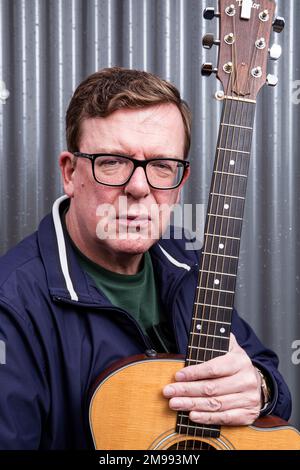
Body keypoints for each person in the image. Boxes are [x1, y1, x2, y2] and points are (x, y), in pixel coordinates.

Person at [0, 67, 291, 449]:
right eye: (112, 162)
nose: (139, 187)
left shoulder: (188, 264)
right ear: (70, 173)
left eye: (161, 166)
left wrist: (258, 386)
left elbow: (271, 384)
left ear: (179, 183)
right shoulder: (12, 304)